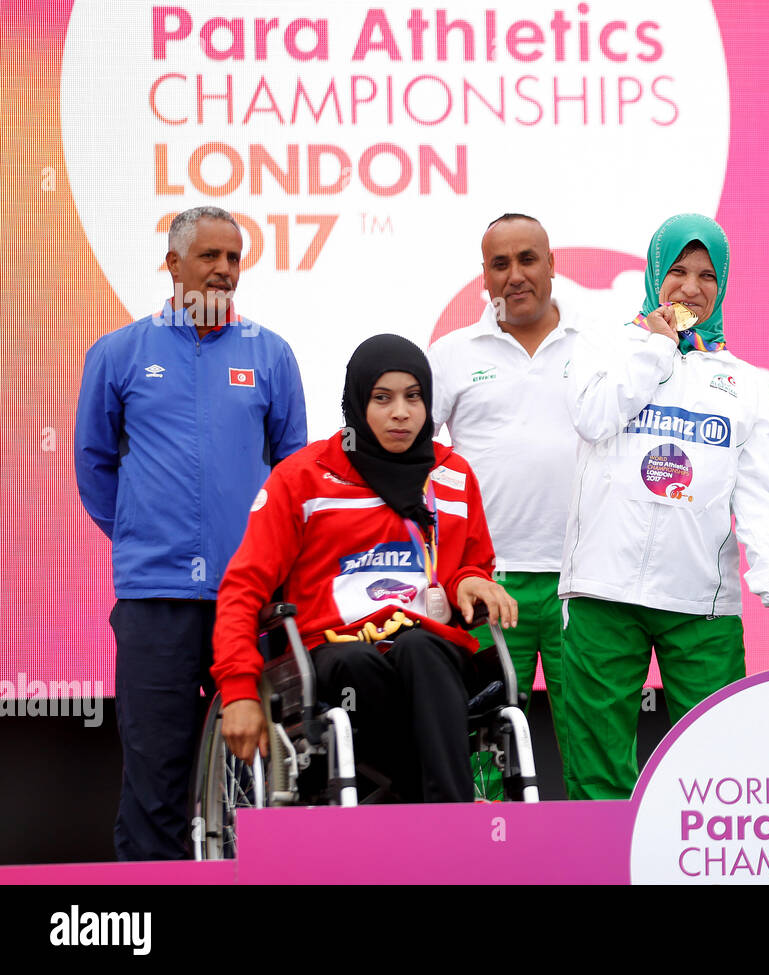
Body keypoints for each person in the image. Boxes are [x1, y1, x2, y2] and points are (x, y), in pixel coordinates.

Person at [559, 213, 769, 800]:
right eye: (677, 270)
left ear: (723, 286)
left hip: (701, 605)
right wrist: (657, 347)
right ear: (654, 274)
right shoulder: (605, 346)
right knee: (598, 778)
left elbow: (759, 504)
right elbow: (593, 418)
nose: (691, 288)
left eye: (707, 276)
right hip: (605, 590)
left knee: (717, 772)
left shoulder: (744, 383)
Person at [74, 205, 307, 859]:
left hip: (252, 598)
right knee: (155, 782)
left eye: (234, 258)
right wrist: (138, 534)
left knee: (272, 774)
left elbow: (293, 473)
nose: (224, 270)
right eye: (210, 256)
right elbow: (93, 465)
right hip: (156, 601)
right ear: (173, 263)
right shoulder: (119, 353)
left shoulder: (271, 353)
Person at [212, 334, 517, 803]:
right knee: (357, 660)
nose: (402, 412)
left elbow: (470, 565)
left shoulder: (453, 475)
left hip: (431, 657)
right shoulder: (303, 477)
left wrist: (470, 579)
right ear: (357, 401)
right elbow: (244, 587)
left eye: (414, 397)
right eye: (383, 398)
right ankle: (426, 802)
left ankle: (447, 823)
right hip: (334, 654)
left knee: (421, 649)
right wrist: (237, 688)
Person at [427, 213, 589, 764]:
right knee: (482, 745)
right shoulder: (451, 355)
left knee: (590, 744)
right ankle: (480, 850)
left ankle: (595, 849)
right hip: (487, 582)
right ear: (485, 276)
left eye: (527, 259)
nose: (515, 275)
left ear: (552, 264)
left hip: (583, 582)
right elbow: (408, 452)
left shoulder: (596, 349)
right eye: (501, 264)